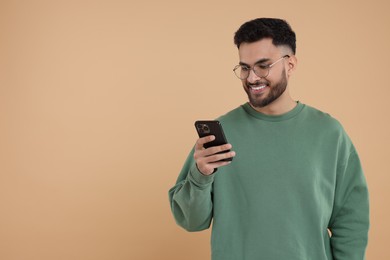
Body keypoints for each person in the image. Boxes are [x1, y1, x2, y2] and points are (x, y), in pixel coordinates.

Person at [168, 18, 369, 260]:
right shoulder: (222, 132)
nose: (252, 78)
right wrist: (201, 175)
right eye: (245, 67)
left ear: (290, 64)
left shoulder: (328, 133)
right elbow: (191, 221)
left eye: (263, 66)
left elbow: (351, 220)